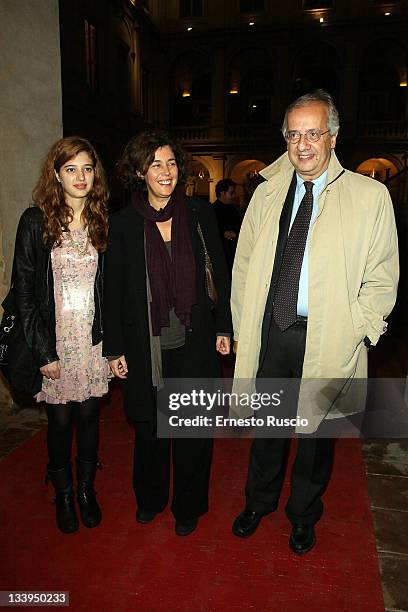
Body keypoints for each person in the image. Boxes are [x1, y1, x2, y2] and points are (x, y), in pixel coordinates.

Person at [230, 90, 399, 554]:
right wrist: (245, 327)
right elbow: (244, 263)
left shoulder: (370, 197)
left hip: (329, 337)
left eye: (313, 133)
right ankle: (258, 503)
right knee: (267, 428)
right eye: (294, 134)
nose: (303, 144)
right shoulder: (266, 192)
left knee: (316, 436)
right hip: (274, 333)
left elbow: (383, 275)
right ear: (285, 139)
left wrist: (360, 328)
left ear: (333, 136)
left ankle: (303, 514)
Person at [103, 130, 231, 536]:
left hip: (194, 336)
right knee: (150, 428)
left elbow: (220, 275)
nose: (165, 171)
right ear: (140, 171)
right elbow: (114, 289)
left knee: (192, 428)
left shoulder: (198, 213)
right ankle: (151, 498)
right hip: (146, 342)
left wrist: (224, 326)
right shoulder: (123, 224)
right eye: (155, 163)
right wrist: (114, 348)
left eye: (171, 162)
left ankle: (188, 505)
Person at [12, 136, 110, 534]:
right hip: (54, 340)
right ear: (57, 175)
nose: (80, 176)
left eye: (87, 168)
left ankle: (86, 489)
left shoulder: (105, 219)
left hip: (92, 337)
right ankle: (64, 492)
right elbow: (23, 290)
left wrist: (114, 344)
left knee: (89, 416)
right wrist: (42, 352)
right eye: (71, 169)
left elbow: (113, 289)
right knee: (60, 420)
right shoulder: (36, 220)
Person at [212, 179, 241, 274]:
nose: (233, 196)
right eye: (231, 193)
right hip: (220, 255)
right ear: (222, 193)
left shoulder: (234, 210)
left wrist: (235, 233)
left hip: (234, 254)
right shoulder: (211, 210)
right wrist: (223, 233)